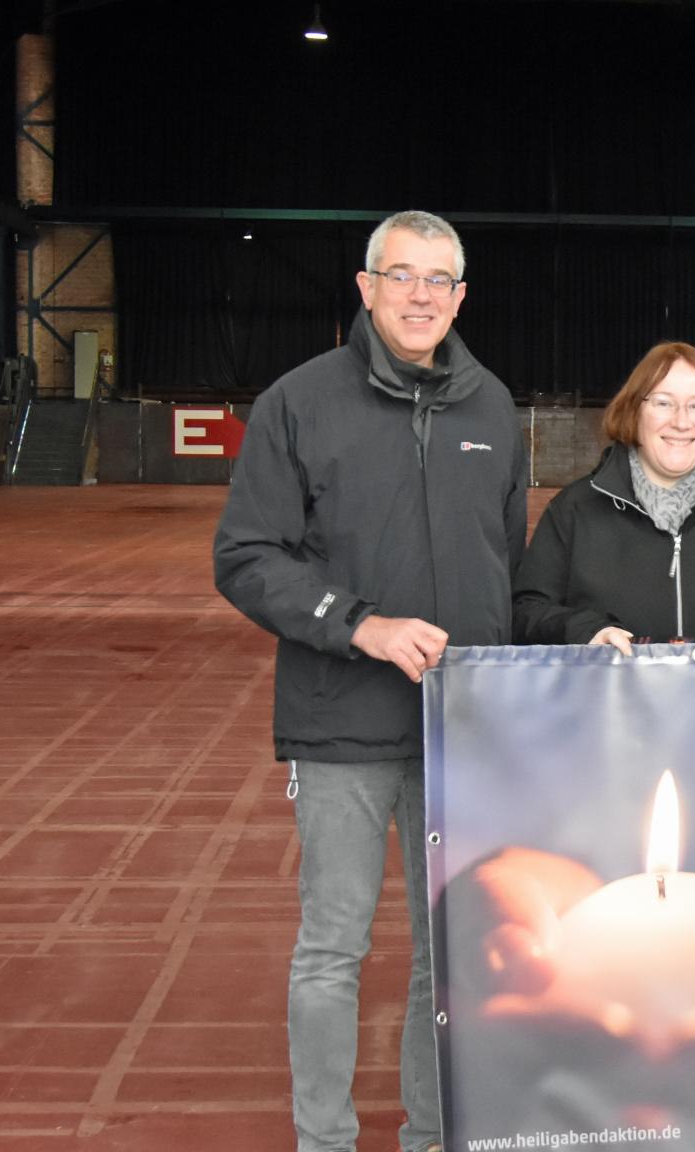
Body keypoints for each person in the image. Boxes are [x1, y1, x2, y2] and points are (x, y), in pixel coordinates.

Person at [214, 210, 524, 1152]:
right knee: (332, 953)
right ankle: (326, 1140)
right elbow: (246, 556)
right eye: (402, 276)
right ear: (366, 286)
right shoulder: (298, 403)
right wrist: (360, 627)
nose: (421, 295)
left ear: (461, 296)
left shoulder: (492, 408)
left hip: (455, 735)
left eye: (439, 280)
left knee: (448, 963)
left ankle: (432, 1137)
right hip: (339, 724)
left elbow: (504, 564)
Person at [513, 342, 695, 653]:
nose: (681, 422)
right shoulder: (573, 509)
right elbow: (526, 612)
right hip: (610, 699)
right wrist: (583, 630)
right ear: (634, 411)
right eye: (663, 403)